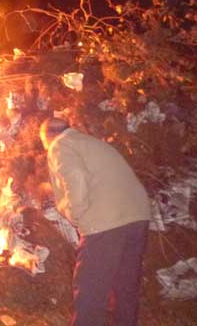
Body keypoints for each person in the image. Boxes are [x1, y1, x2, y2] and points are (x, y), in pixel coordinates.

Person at [39, 118, 151, 326]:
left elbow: (75, 176)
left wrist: (77, 215)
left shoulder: (60, 144)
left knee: (89, 290)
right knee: (124, 287)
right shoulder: (92, 143)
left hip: (105, 222)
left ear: (47, 136)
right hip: (138, 216)